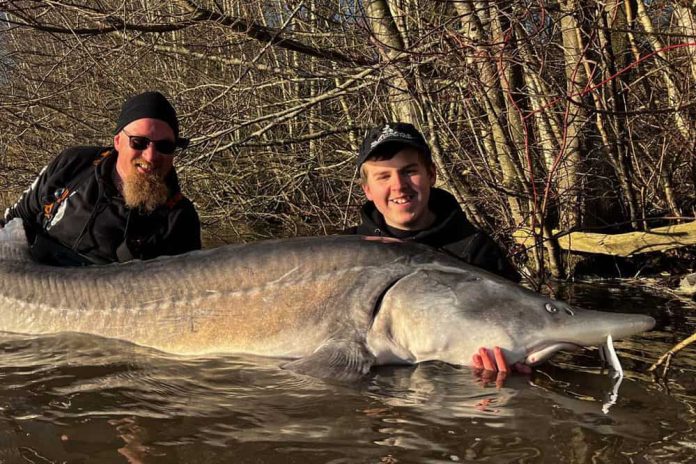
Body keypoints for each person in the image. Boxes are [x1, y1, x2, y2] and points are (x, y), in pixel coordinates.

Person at [0, 91, 201, 266]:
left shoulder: (179, 218)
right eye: (139, 142)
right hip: (27, 283)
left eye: (164, 146)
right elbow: (14, 221)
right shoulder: (74, 163)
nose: (150, 156)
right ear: (118, 141)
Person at [346, 122, 520, 282]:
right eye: (384, 177)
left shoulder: (475, 251)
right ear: (367, 190)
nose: (398, 186)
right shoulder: (346, 251)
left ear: (431, 175)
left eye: (409, 172)